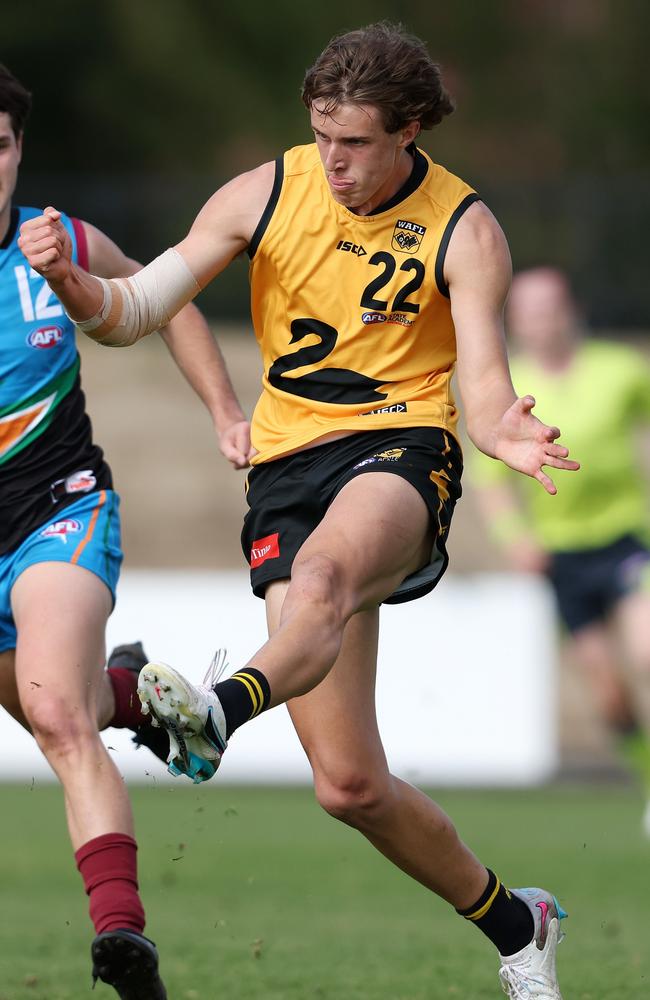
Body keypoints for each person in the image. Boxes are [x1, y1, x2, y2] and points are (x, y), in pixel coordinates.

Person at [19, 24, 580, 999]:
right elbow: (138, 307)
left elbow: (482, 388)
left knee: (321, 575)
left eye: (354, 143)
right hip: (286, 467)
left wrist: (506, 433)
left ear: (407, 131)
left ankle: (213, 709)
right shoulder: (264, 190)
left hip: (403, 450)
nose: (333, 161)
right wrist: (76, 286)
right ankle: (515, 920)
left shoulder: (462, 227)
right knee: (347, 786)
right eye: (321, 136)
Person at [0, 64, 251, 999]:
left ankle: (123, 943)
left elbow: (162, 299)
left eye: (0, 146)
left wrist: (227, 412)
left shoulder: (53, 242)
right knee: (58, 707)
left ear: (18, 152)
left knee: (58, 717)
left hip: (58, 507)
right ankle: (139, 698)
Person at [470, 266, 650, 831]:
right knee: (609, 695)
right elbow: (490, 477)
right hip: (559, 557)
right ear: (514, 320)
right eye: (528, 311)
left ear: (570, 309)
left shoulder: (620, 369)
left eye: (550, 307)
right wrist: (515, 540)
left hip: (625, 539)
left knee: (647, 651)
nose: (541, 320)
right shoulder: (508, 388)